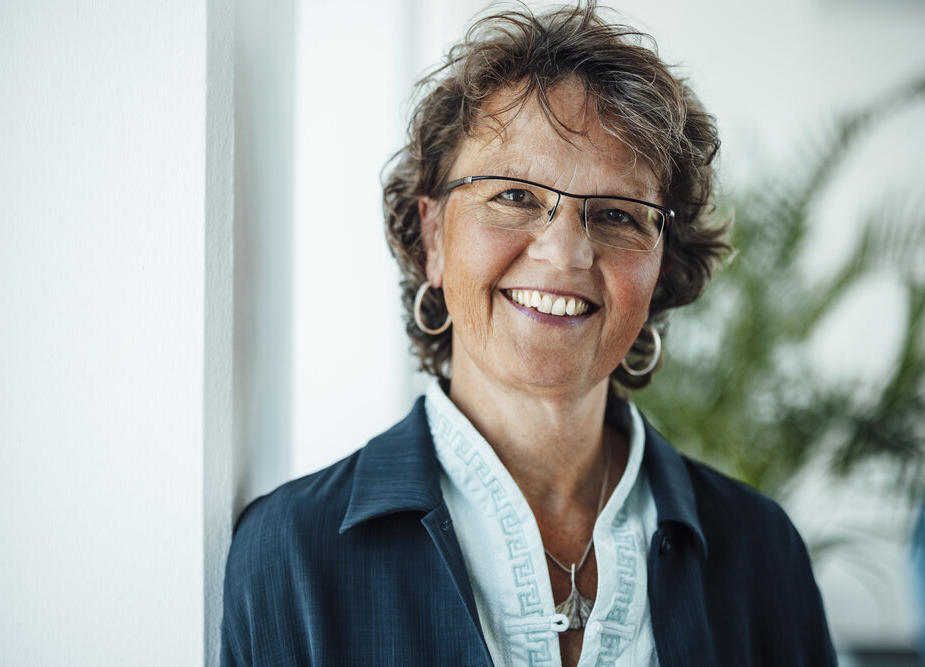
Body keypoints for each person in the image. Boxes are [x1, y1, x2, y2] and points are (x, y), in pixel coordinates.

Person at [221, 3, 837, 666]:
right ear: (433, 236)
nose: (565, 253)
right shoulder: (291, 553)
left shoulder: (761, 549)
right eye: (514, 195)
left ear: (661, 269)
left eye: (617, 214)